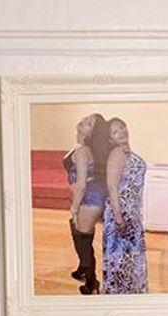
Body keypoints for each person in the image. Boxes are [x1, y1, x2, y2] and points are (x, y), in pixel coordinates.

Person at [62, 113, 111, 295]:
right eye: (86, 118)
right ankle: (83, 267)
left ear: (91, 133)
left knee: (81, 236)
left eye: (89, 123)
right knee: (83, 235)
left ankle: (91, 282)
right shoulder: (82, 147)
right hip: (94, 195)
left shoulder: (83, 151)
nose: (84, 120)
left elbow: (81, 184)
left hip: (89, 197)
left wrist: (74, 207)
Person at [102, 118, 148, 295]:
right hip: (119, 215)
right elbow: (112, 187)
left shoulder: (127, 153)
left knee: (132, 263)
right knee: (120, 265)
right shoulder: (117, 154)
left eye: (122, 127)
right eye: (115, 131)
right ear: (111, 139)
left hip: (132, 216)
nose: (121, 132)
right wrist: (119, 219)